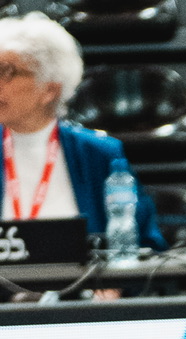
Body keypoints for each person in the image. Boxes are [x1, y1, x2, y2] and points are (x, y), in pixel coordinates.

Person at [0, 13, 164, 247]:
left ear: (49, 90)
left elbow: (145, 242)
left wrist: (117, 272)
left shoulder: (99, 154)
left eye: (7, 72)